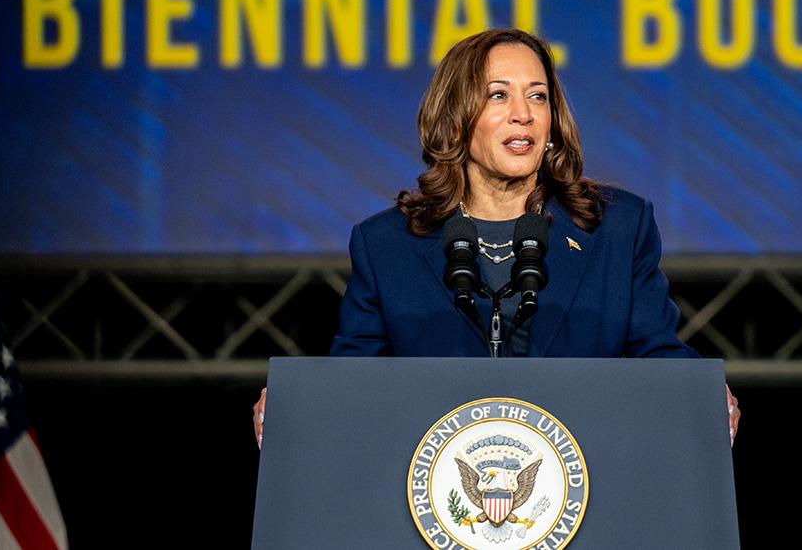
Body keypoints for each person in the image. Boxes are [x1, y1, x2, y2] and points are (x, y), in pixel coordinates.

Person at [253, 28, 740, 445]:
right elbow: (354, 380)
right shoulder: (387, 246)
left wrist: (697, 392)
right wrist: (302, 405)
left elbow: (656, 351)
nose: (523, 113)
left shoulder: (618, 228)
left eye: (538, 95)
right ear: (455, 118)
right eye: (498, 94)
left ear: (552, 122)